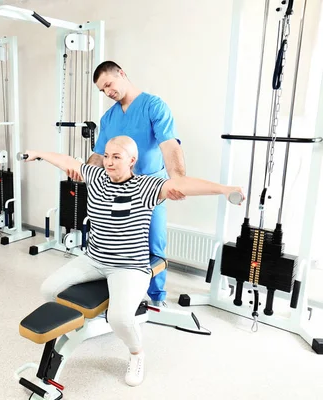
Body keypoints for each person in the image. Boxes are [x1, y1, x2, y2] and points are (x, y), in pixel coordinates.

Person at [24, 136, 244, 387]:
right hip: (94, 259)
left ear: (132, 160)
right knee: (49, 289)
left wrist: (225, 190)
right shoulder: (96, 178)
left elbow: (186, 184)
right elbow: (65, 161)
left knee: (118, 318)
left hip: (130, 266)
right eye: (106, 156)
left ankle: (137, 353)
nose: (108, 162)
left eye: (116, 157)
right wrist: (38, 152)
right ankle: (80, 324)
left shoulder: (146, 187)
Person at [69, 61, 185, 307]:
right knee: (111, 243)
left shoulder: (153, 106)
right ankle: (113, 294)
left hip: (151, 189)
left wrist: (179, 181)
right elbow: (99, 155)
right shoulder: (108, 117)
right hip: (118, 191)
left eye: (108, 85)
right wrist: (84, 173)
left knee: (154, 243)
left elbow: (169, 145)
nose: (107, 92)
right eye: (102, 90)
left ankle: (156, 298)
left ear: (121, 74)